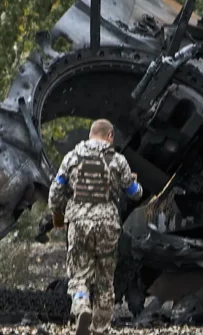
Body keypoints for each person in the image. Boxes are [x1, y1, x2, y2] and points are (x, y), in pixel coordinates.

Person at [47, 118, 143, 335]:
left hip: (79, 223)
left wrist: (58, 218)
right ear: (110, 136)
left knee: (80, 275)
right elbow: (134, 193)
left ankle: (81, 307)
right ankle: (100, 327)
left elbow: (55, 192)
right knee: (105, 278)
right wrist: (134, 183)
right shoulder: (117, 160)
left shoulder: (72, 157)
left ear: (91, 134)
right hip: (108, 224)